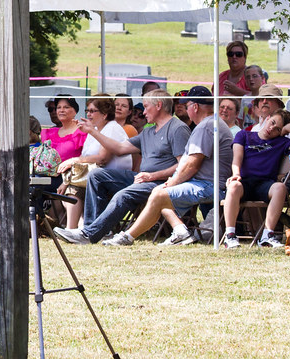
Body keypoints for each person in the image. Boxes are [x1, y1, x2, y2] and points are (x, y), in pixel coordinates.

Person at [98, 86, 233, 247]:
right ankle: (179, 230)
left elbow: (192, 164)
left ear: (195, 107)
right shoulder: (211, 124)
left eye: (187, 105)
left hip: (209, 185)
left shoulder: (206, 126)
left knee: (160, 193)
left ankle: (128, 237)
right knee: (159, 192)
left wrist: (173, 182)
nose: (183, 109)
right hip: (207, 183)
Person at [53, 90, 191, 244]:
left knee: (123, 194)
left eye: (146, 107)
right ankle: (90, 227)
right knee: (97, 175)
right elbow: (119, 148)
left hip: (160, 182)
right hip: (143, 179)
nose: (143, 112)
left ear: (158, 105)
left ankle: (89, 234)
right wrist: (92, 131)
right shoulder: (148, 131)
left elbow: (183, 165)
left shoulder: (177, 128)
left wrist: (153, 176)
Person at [222, 108, 290, 248]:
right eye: (272, 122)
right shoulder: (244, 135)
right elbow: (237, 158)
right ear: (267, 118)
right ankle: (230, 235)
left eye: (277, 128)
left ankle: (268, 235)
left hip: (265, 184)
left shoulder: (281, 141)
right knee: (233, 186)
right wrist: (236, 174)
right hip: (245, 181)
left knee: (280, 187)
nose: (271, 128)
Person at [57, 94, 132, 229]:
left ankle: (76, 228)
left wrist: (74, 160)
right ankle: (76, 227)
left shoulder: (112, 128)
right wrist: (65, 181)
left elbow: (102, 158)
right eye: (87, 111)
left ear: (104, 114)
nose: (89, 114)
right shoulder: (95, 130)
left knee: (76, 186)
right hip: (96, 175)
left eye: (92, 111)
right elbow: (85, 158)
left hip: (114, 177)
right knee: (67, 188)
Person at [40, 95, 87, 164]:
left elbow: (89, 156)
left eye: (66, 107)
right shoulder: (49, 133)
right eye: (59, 107)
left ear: (75, 111)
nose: (61, 110)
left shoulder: (82, 132)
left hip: (72, 173)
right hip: (47, 173)